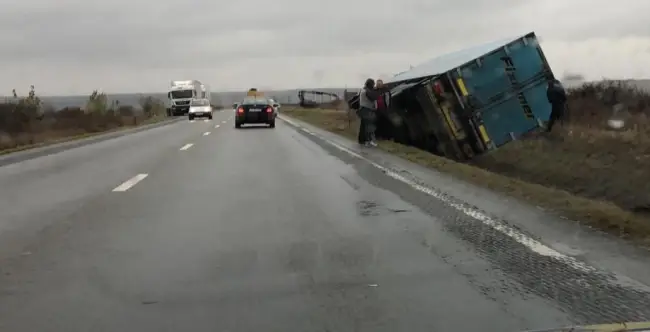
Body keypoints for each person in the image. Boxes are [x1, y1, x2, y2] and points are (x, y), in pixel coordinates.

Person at [357, 78, 387, 146]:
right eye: (373, 84)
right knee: (368, 126)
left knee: (363, 126)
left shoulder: (364, 89)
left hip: (363, 109)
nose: (374, 85)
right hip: (366, 110)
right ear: (370, 84)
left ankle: (362, 140)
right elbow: (374, 97)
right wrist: (378, 90)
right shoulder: (367, 91)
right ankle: (368, 141)